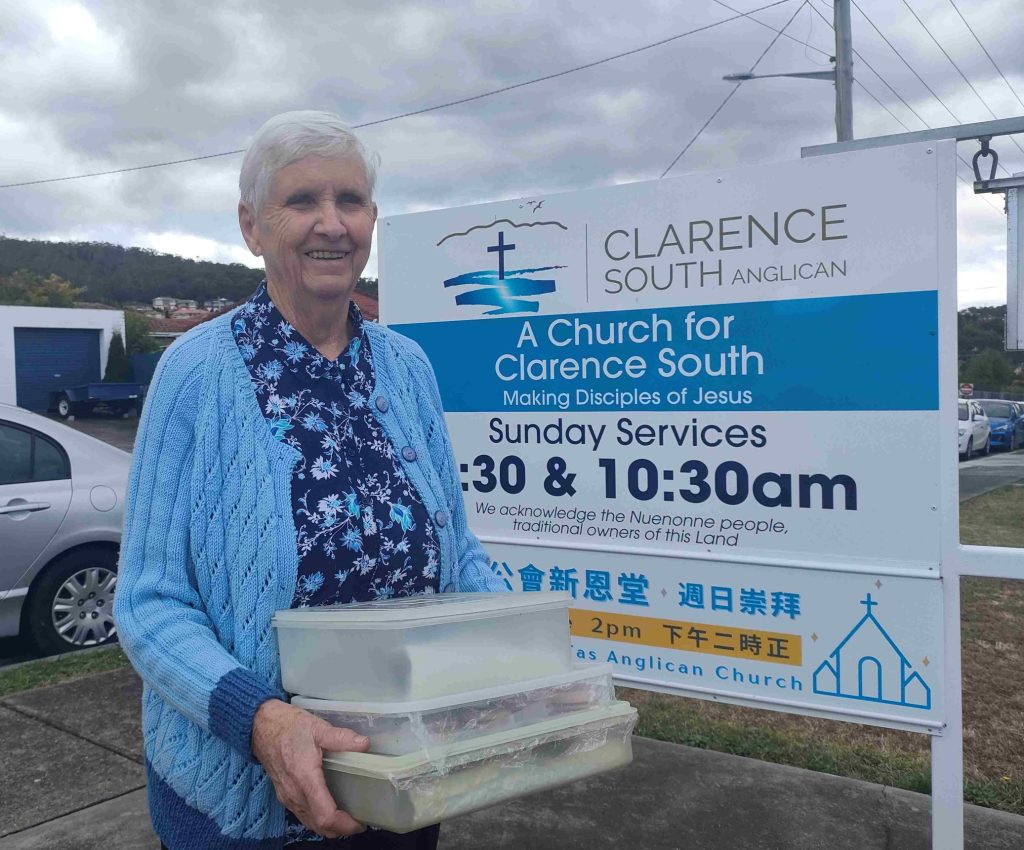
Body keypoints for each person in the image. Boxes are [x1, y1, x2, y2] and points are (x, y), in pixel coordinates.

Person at [114, 111, 507, 850]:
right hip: (240, 806)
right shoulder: (195, 375)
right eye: (302, 201)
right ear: (251, 226)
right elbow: (148, 601)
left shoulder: (407, 368)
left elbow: (458, 555)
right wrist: (259, 719)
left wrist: (524, 653)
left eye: (351, 201)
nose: (332, 223)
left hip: (401, 780)